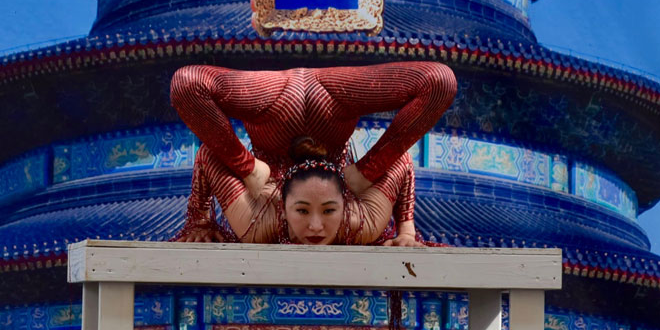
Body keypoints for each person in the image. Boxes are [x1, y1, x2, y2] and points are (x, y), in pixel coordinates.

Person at [169, 61, 457, 245]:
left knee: (188, 82)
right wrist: (403, 227)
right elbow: (402, 159)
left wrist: (243, 172)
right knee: (439, 80)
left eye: (329, 211)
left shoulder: (255, 225)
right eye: (303, 211)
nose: (316, 227)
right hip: (331, 103)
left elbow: (208, 154)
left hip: (275, 105)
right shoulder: (362, 223)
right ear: (283, 206)